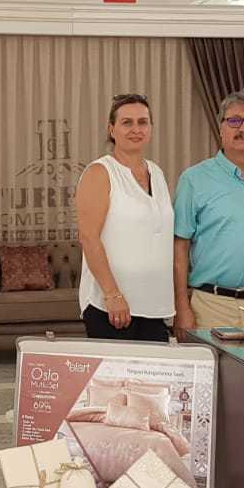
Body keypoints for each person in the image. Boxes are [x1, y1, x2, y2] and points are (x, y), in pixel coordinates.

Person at [173, 91, 244, 332]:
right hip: (212, 306)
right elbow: (180, 247)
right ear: (221, 127)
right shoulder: (194, 179)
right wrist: (182, 306)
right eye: (234, 121)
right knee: (213, 360)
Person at [77, 93, 174, 342]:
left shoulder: (157, 173)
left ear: (151, 128)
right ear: (112, 129)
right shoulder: (100, 172)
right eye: (127, 122)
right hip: (112, 308)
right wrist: (112, 294)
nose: (136, 129)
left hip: (154, 305)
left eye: (143, 122)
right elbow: (89, 238)